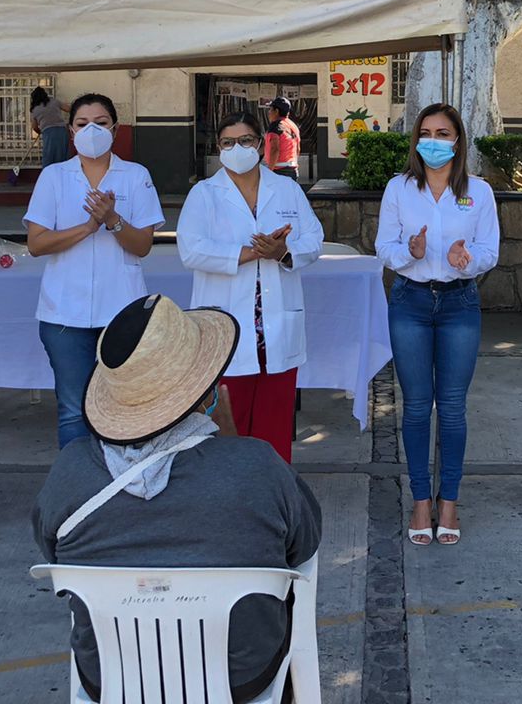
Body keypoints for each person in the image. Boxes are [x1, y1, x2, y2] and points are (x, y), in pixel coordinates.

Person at [32, 294, 322, 703]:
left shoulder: (71, 472)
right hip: (240, 679)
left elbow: (51, 548)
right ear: (205, 393)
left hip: (110, 679)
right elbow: (304, 544)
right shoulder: (258, 467)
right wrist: (230, 439)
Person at [375, 103, 498, 546]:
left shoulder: (479, 192)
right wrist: (411, 249)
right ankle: (421, 500)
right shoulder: (399, 189)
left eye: (443, 133)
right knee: (415, 406)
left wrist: (466, 261)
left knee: (451, 408)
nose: (433, 140)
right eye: (425, 132)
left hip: (458, 304)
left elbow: (489, 250)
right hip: (409, 301)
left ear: (458, 141)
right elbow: (384, 248)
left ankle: (450, 501)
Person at [178, 111, 324, 461]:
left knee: (274, 432)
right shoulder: (204, 193)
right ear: (218, 148)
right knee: (228, 429)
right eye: (228, 143)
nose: (237, 148)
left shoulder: (285, 189)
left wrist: (282, 252)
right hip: (226, 331)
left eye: (245, 140)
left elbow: (314, 239)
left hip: (275, 330)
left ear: (260, 144)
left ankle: (273, 501)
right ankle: (232, 503)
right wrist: (247, 253)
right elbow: (191, 249)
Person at [24, 93, 165, 449]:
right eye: (83, 124)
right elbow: (37, 244)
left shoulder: (136, 176)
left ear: (115, 130)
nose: (92, 130)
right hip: (64, 316)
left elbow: (143, 246)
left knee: (123, 407)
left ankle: (123, 488)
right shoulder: (54, 177)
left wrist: (113, 220)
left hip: (122, 312)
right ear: (70, 131)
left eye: (101, 123)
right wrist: (88, 227)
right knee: (73, 409)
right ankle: (79, 493)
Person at [264, 96, 302, 179]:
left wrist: (269, 171)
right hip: (293, 169)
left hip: (278, 170)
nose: (269, 113)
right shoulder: (293, 126)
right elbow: (298, 149)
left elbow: (275, 149)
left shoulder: (276, 126)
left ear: (276, 111)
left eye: (270, 109)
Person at [30, 86, 69, 169]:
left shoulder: (35, 109)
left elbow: (34, 127)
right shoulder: (54, 102)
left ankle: (47, 176)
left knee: (48, 155)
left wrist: (40, 132)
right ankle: (63, 174)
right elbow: (68, 109)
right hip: (62, 131)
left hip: (48, 132)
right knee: (62, 154)